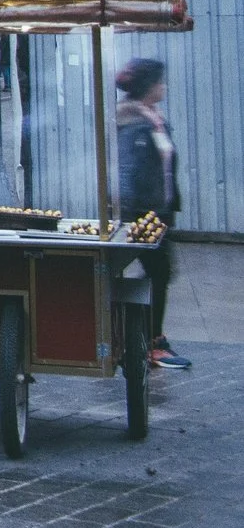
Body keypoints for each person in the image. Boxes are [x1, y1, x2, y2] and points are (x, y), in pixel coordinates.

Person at [115, 59, 188, 370]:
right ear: (149, 88)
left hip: (159, 213)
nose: (165, 86)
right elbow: (129, 172)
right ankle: (149, 342)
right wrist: (136, 214)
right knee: (158, 274)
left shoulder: (153, 119)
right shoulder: (135, 123)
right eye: (161, 82)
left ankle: (142, 336)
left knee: (159, 274)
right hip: (144, 216)